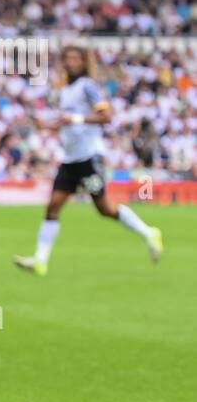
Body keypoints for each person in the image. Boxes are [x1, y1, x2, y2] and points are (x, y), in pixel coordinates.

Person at [14, 46, 162, 275]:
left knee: (104, 208)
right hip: (70, 160)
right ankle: (40, 261)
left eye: (75, 59)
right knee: (53, 206)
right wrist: (47, 126)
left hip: (88, 158)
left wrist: (75, 118)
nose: (71, 63)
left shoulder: (88, 87)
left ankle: (149, 232)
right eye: (67, 59)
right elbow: (67, 122)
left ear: (84, 63)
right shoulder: (65, 90)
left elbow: (107, 116)